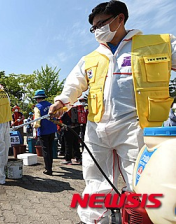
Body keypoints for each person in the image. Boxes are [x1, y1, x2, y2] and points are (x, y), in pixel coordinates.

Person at [49, 1, 176, 223]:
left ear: (120, 19)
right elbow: (74, 85)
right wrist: (61, 102)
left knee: (139, 180)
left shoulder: (157, 45)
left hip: (136, 126)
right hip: (97, 128)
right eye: (94, 27)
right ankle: (94, 219)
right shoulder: (90, 58)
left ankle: (137, 219)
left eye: (101, 23)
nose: (97, 30)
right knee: (94, 178)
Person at [33, 89, 57, 176]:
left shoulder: (38, 107)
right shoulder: (51, 105)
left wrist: (35, 127)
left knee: (45, 150)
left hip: (43, 130)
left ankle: (48, 169)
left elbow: (37, 120)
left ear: (37, 98)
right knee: (50, 149)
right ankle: (50, 166)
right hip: (52, 129)